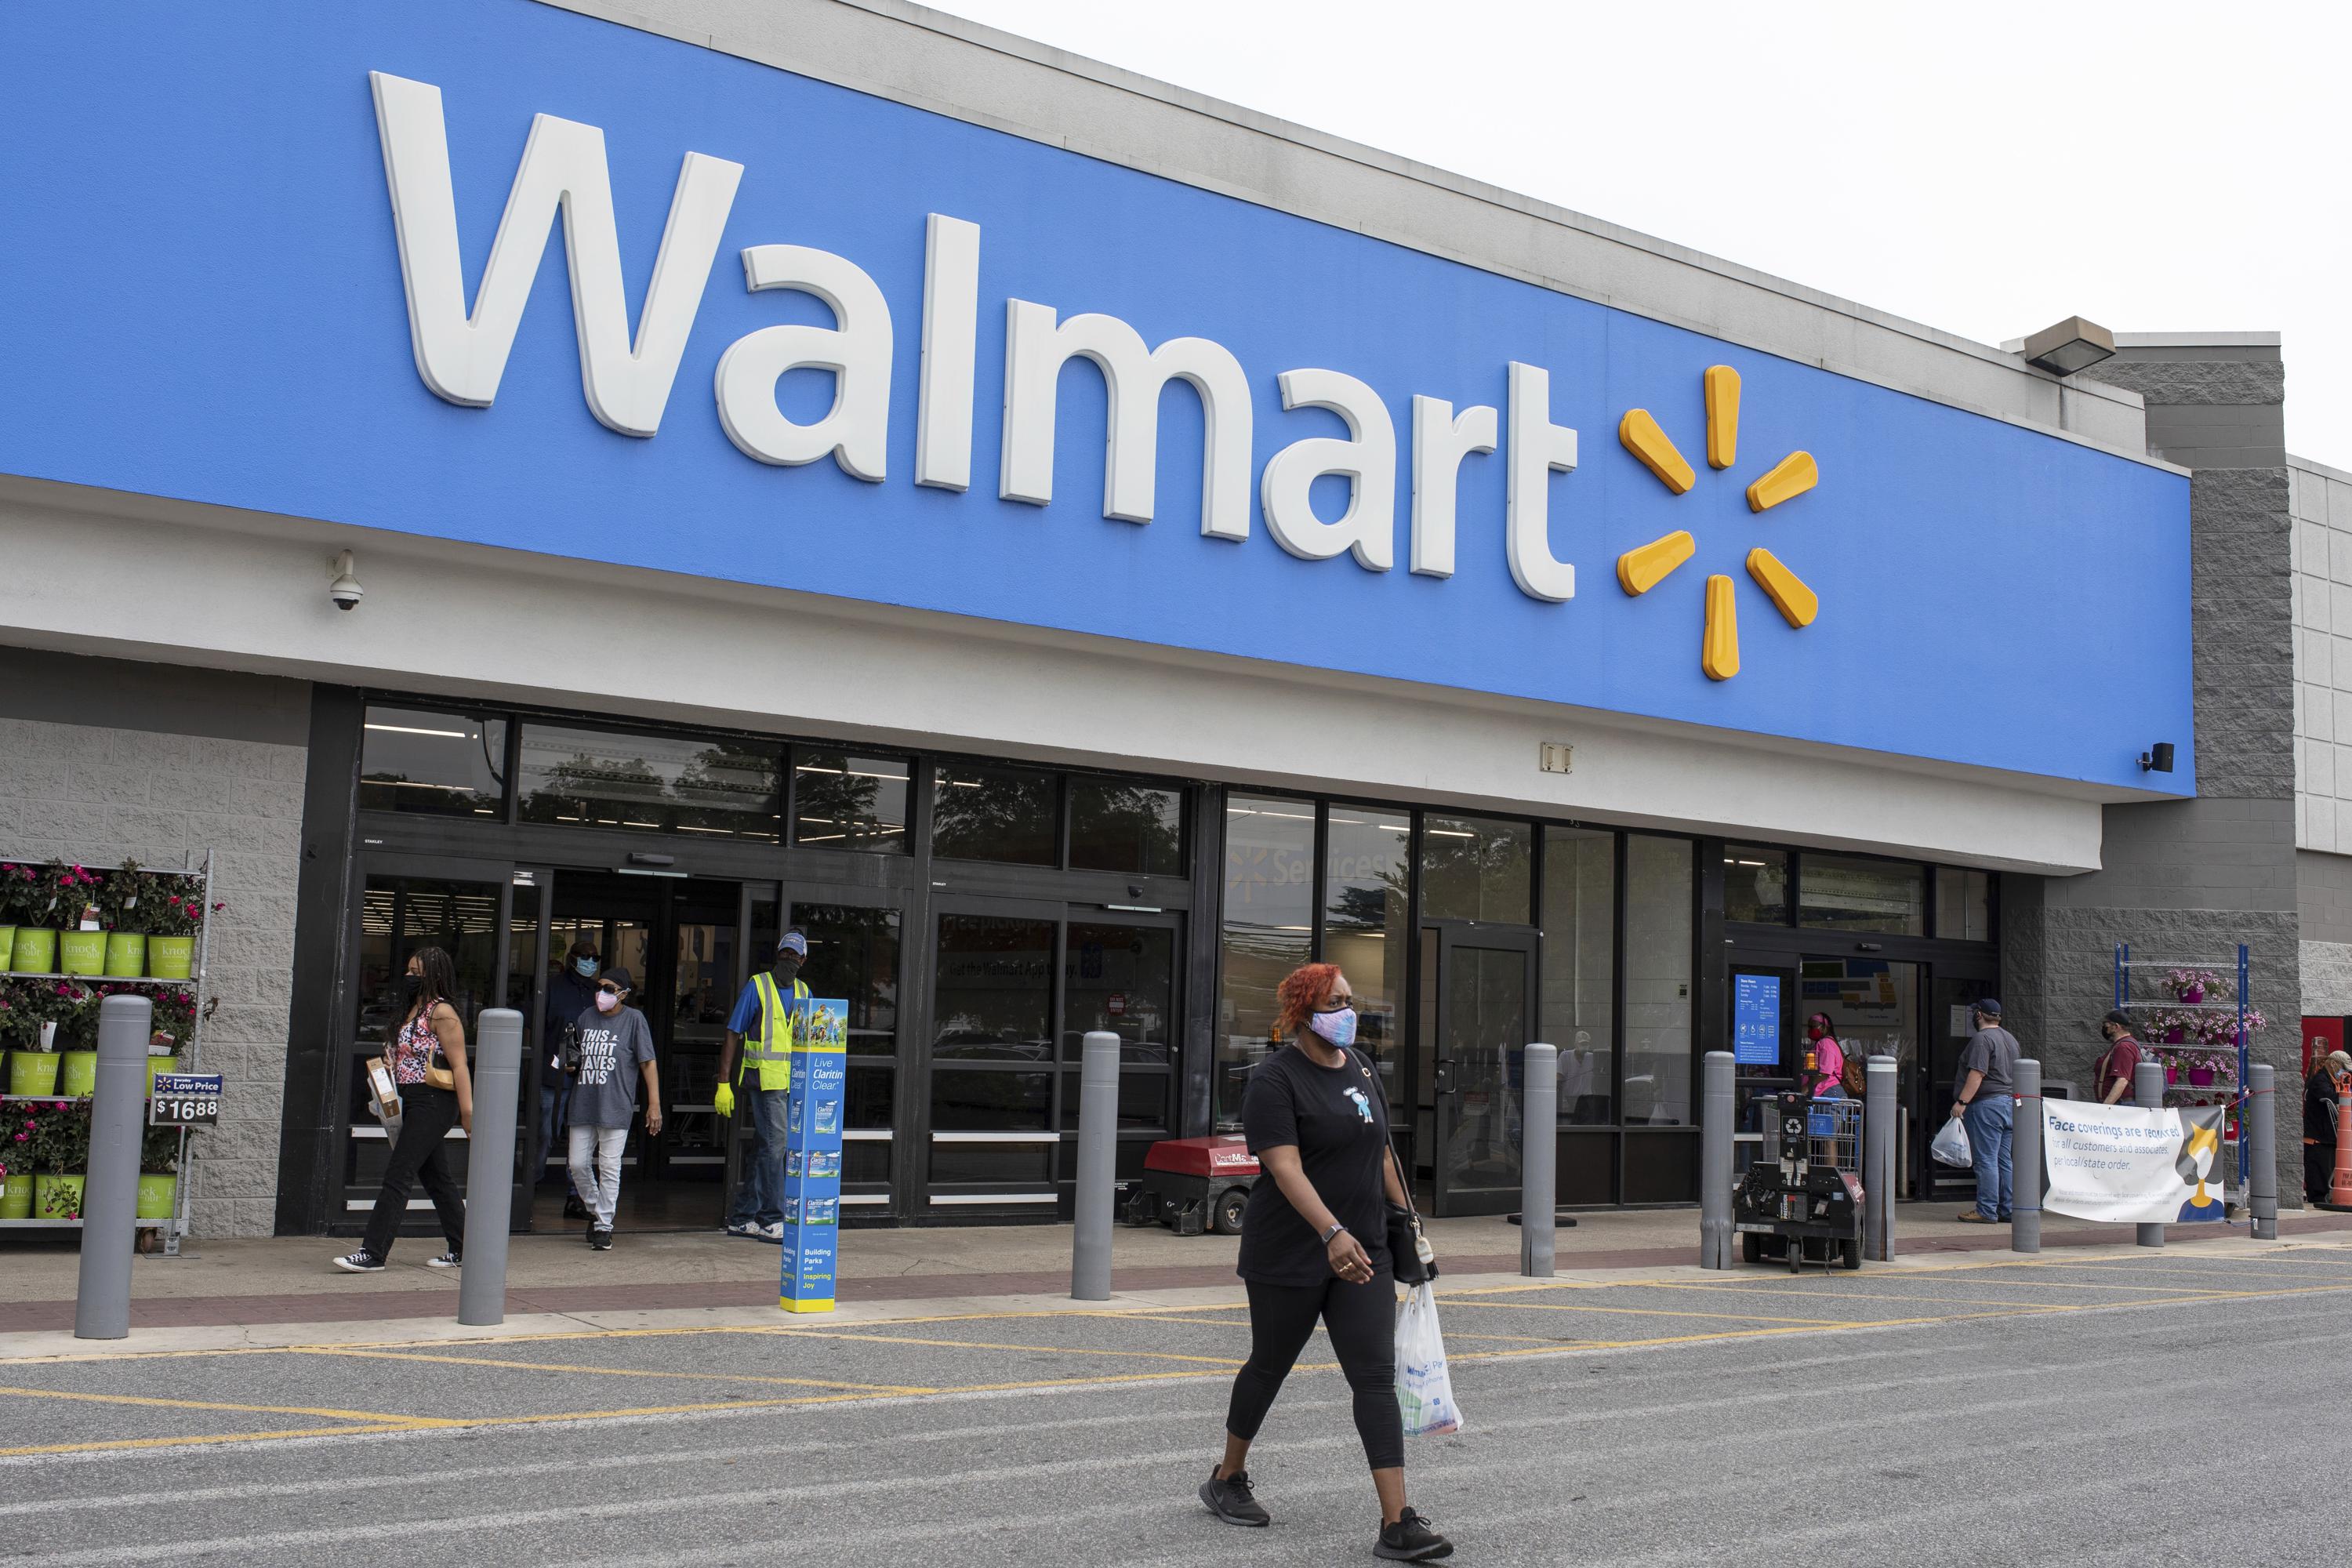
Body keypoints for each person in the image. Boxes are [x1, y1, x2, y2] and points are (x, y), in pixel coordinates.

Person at [1198, 962, 1453, 1563]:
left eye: (1349, 999)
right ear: (1304, 1011)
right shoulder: (1274, 1080)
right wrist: (1330, 1232)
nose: (1349, 1011)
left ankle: (1397, 1522)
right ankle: (1227, 1476)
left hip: (1363, 1248)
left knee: (1373, 1376)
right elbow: (1285, 1168)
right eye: (1336, 1001)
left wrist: (1409, 1221)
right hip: (1290, 1251)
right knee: (1269, 1364)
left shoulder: (1362, 1068)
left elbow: (1383, 1153)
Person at [336, 946, 472, 1272]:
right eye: (408, 970)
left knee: (398, 1174)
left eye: (416, 972)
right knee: (437, 1178)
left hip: (434, 1101)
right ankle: (466, 1248)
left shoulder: (443, 1013)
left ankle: (373, 1252)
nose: (409, 977)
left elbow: (461, 1066)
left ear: (434, 975)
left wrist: (468, 1113)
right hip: (409, 1099)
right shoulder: (413, 1010)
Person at [716, 930, 811, 1241]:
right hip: (763, 1081)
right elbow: (733, 1032)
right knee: (776, 1147)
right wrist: (723, 1082)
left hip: (790, 1085)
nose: (789, 960)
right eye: (785, 954)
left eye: (795, 956)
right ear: (778, 954)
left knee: (765, 1148)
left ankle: (743, 1217)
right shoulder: (758, 985)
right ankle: (772, 1218)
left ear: (803, 960)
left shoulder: (805, 992)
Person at [566, 966, 662, 1250]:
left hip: (616, 1104)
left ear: (623, 993)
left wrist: (654, 1104)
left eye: (609, 988)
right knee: (577, 1165)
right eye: (600, 987)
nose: (602, 993)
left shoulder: (634, 1020)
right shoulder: (586, 1017)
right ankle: (597, 1213)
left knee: (610, 1166)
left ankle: (604, 1226)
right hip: (584, 1102)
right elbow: (575, 1054)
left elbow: (648, 1062)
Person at [542, 938, 601, 1203]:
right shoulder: (551, 988)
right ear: (572, 958)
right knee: (545, 1131)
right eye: (585, 956)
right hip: (552, 1075)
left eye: (594, 958)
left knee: (583, 1138)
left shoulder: (598, 993)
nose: (590, 961)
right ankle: (528, 1183)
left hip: (587, 1077)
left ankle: (576, 1195)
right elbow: (534, 1026)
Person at [1952, 999, 2020, 1225]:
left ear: (1979, 1014)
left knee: (1986, 1160)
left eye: (1974, 1013)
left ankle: (1987, 1210)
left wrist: (1962, 1101)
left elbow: (1977, 1074)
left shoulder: (1982, 1039)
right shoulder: (2010, 1039)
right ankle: (2007, 1209)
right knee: (2004, 1160)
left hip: (1988, 1105)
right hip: (2010, 1104)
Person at [2305, 1049, 2348, 1203]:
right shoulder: (2320, 1080)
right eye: (2343, 1068)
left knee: (2329, 1170)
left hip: (2328, 1136)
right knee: (2319, 1174)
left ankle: (2325, 1196)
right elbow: (2329, 1097)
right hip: (2317, 1137)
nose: (2344, 1072)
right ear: (2333, 1064)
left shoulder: (2334, 1082)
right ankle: (2318, 1199)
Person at [2093, 1011, 2143, 1105]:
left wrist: (2105, 1107)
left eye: (2106, 1025)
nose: (2104, 1028)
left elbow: (2122, 1080)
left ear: (2116, 1027)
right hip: (2118, 1105)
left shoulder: (2123, 1047)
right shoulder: (2122, 1044)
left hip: (2120, 1106)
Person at [1803, 1014, 1846, 1099]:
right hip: (1825, 1092)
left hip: (1828, 1092)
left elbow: (1824, 1073)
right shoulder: (1822, 1043)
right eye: (1809, 1027)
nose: (1811, 1030)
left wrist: (1806, 1088)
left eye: (1814, 1026)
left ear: (1825, 1027)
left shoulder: (1826, 1043)